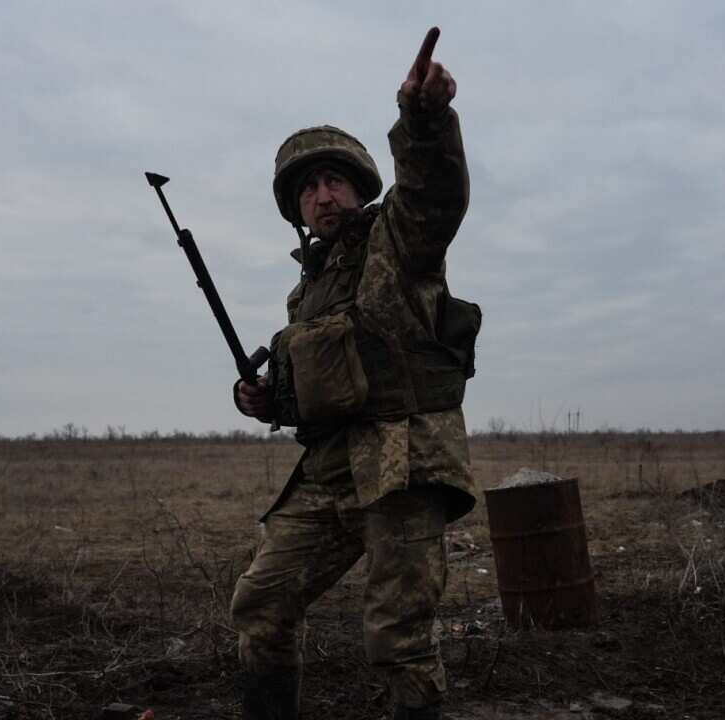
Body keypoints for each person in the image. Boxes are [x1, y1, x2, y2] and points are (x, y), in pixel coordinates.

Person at [228, 27, 480, 720]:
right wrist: (264, 399)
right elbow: (313, 387)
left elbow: (434, 194)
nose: (322, 194)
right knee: (260, 605)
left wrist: (424, 121)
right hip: (330, 472)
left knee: (397, 638)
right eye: (308, 187)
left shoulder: (397, 241)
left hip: (401, 464)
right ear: (297, 207)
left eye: (333, 178)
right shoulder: (305, 292)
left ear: (359, 185)